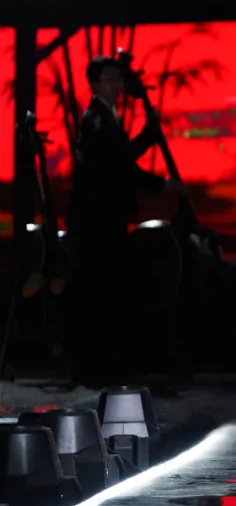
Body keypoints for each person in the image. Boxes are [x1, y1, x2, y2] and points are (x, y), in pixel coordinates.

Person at [66, 55, 172, 382]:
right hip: (96, 221)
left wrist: (147, 136)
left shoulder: (104, 116)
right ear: (95, 85)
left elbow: (120, 161)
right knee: (101, 290)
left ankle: (105, 363)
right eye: (109, 79)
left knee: (107, 288)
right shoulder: (96, 120)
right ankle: (97, 366)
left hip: (102, 218)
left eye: (118, 78)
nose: (116, 84)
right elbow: (117, 165)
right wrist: (158, 180)